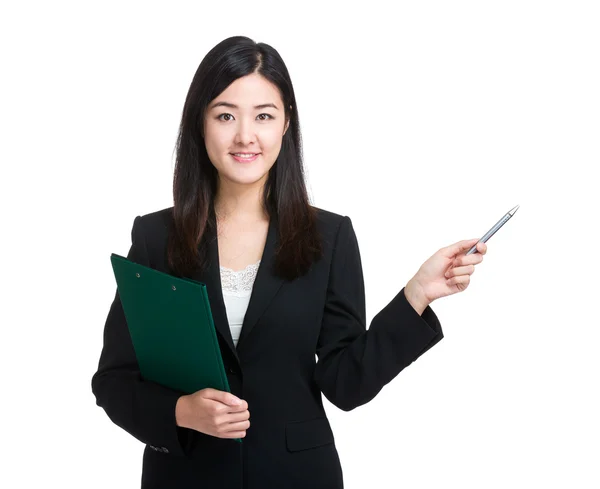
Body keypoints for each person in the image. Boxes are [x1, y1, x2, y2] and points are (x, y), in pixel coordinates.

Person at [91, 35, 488, 489]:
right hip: (185, 476)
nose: (245, 135)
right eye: (225, 115)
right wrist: (183, 412)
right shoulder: (155, 236)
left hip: (297, 476)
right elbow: (115, 380)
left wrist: (416, 295)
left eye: (263, 115)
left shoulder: (329, 236)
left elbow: (345, 384)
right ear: (200, 123)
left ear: (285, 124)